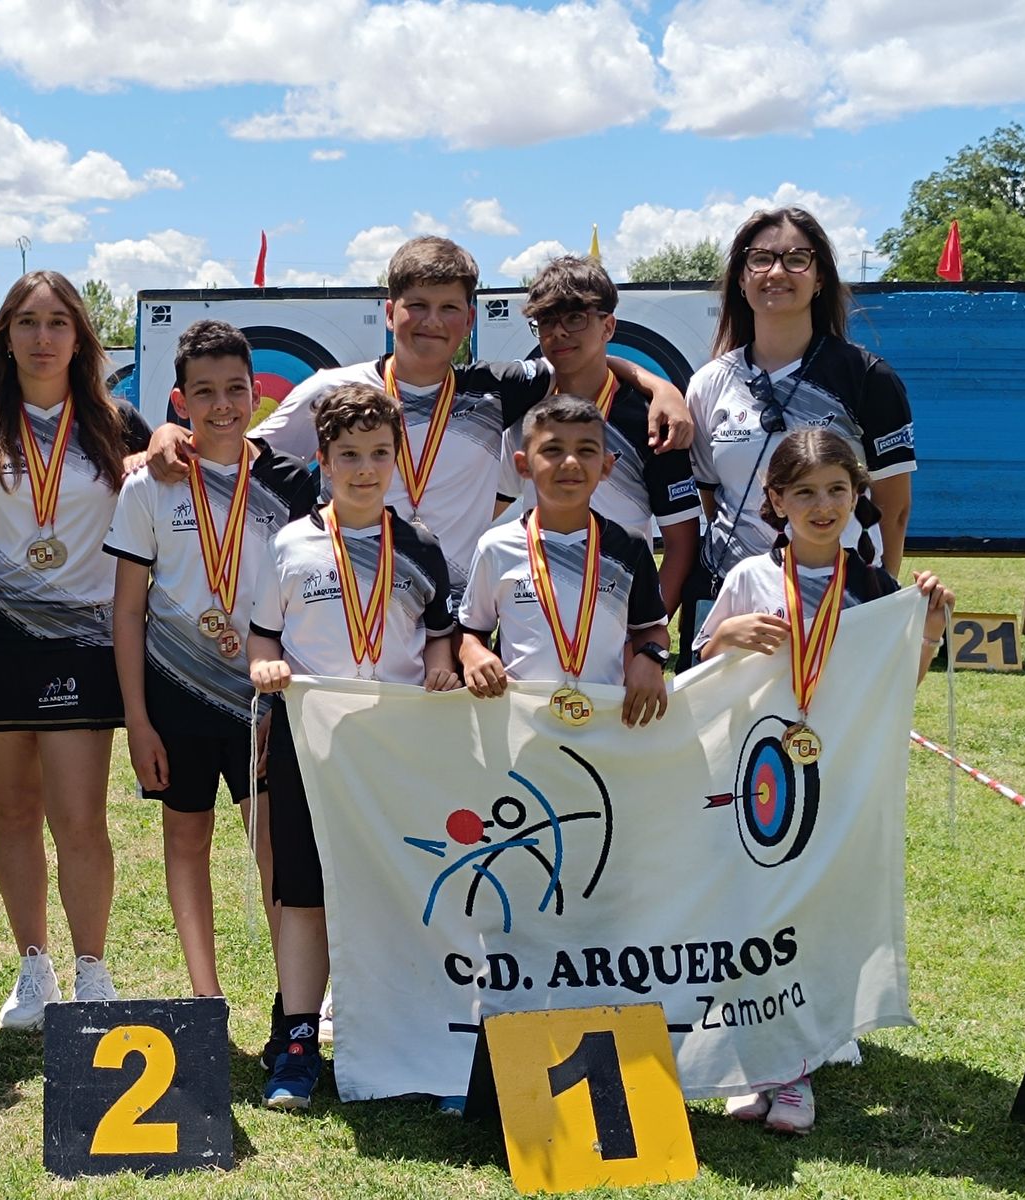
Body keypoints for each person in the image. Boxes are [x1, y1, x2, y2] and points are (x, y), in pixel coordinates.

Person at [149, 236, 694, 609]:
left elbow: (581, 361)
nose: (433, 322)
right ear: (390, 311)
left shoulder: (498, 389)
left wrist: (658, 384)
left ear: (469, 319)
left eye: (449, 308)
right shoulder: (329, 390)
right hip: (346, 614)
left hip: (453, 627)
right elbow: (235, 453)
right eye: (417, 305)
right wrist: (169, 433)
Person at [694, 427, 951, 1134]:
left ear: (857, 498)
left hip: (834, 782)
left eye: (837, 490)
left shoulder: (873, 588)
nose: (821, 505)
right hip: (760, 781)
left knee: (814, 913)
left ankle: (797, 1064)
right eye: (803, 492)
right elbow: (703, 667)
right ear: (774, 501)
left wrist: (925, 629)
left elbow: (897, 686)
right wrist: (729, 634)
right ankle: (764, 1058)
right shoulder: (749, 577)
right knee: (757, 911)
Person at [0, 270, 152, 1029]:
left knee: (80, 816)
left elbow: (180, 483)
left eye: (59, 322)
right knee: (12, 809)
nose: (44, 337)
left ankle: (93, 970)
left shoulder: (119, 426)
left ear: (80, 337)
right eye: (28, 322)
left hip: (84, 646)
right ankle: (34, 968)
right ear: (6, 336)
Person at [247, 382, 460, 1110]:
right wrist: (262, 665)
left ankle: (419, 1037)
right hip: (310, 749)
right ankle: (300, 1038)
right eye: (348, 456)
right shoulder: (289, 543)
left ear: (396, 458)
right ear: (323, 462)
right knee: (304, 894)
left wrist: (439, 667)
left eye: (378, 454)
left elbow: (439, 638)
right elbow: (263, 633)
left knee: (405, 894)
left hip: (397, 755)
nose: (364, 469)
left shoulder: (423, 548)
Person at [105, 319, 316, 1010]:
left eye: (234, 389)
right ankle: (205, 998)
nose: (222, 405)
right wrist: (137, 720)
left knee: (274, 850)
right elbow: (127, 610)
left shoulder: (289, 483)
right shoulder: (149, 486)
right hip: (177, 694)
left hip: (264, 696)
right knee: (185, 836)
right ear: (179, 400)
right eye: (205, 392)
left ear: (257, 393)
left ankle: (293, 1006)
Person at [683, 206, 916, 666]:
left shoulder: (868, 378)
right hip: (736, 602)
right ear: (742, 280)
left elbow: (895, 507)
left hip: (836, 600)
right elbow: (712, 502)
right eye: (760, 259)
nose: (777, 271)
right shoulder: (709, 383)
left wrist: (877, 598)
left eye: (796, 259)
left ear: (820, 278)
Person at [495, 256, 699, 618]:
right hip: (534, 622)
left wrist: (646, 639)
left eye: (575, 318)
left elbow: (680, 548)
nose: (558, 332)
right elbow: (485, 510)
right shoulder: (525, 411)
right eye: (546, 320)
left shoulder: (651, 419)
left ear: (608, 327)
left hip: (617, 620)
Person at [460, 396, 671, 729]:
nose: (570, 462)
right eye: (552, 450)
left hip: (605, 725)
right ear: (523, 465)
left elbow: (653, 628)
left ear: (606, 466)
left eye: (587, 450)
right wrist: (472, 652)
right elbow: (472, 630)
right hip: (520, 726)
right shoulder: (496, 547)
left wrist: (650, 658)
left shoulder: (629, 547)